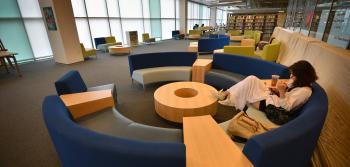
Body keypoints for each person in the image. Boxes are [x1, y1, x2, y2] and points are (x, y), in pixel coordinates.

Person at [216, 60, 318, 113]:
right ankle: (228, 94)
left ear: (302, 75)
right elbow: (287, 88)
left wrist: (281, 92)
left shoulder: (304, 91)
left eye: (294, 75)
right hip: (273, 97)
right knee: (252, 79)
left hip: (272, 105)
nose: (291, 76)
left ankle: (228, 97)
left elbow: (286, 107)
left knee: (246, 90)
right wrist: (278, 90)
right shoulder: (299, 82)